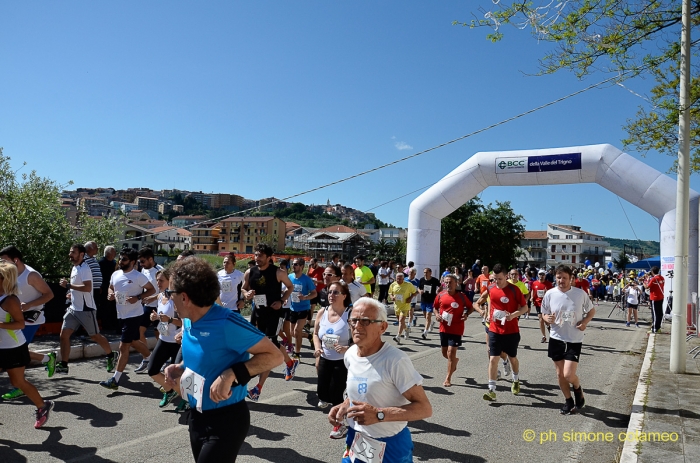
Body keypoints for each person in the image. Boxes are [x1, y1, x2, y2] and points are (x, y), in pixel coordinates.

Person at [163, 257, 283, 463]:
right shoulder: (189, 320)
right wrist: (181, 367)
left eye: (169, 293)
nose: (167, 298)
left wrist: (231, 373)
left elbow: (275, 356)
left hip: (226, 420)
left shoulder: (227, 322)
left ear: (184, 297)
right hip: (197, 416)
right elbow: (205, 357)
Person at [327, 298, 432, 460]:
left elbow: (425, 408)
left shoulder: (396, 360)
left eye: (365, 321)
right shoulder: (350, 354)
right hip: (357, 439)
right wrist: (345, 404)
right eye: (353, 320)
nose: (357, 326)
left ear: (382, 327)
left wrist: (379, 414)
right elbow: (363, 390)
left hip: (390, 444)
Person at [0, 262, 55, 429]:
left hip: (13, 348)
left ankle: (43, 406)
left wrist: (0, 325)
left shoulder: (10, 300)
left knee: (18, 382)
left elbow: (20, 324)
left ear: (3, 279)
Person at [242, 243, 298, 402]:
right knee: (254, 343)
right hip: (257, 311)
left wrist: (282, 300)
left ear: (268, 257)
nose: (257, 258)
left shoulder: (278, 272)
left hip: (274, 312)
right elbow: (243, 289)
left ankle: (258, 388)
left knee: (270, 345)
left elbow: (290, 286)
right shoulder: (249, 272)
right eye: (255, 255)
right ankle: (289, 362)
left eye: (260, 256)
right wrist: (247, 294)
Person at [541, 264, 595, 415]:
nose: (561, 281)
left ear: (571, 279)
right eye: (559, 277)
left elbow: (591, 311)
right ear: (555, 278)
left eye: (565, 278)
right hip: (556, 337)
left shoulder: (580, 294)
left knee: (568, 375)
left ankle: (577, 388)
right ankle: (568, 400)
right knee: (559, 374)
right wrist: (547, 318)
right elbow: (544, 313)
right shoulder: (550, 294)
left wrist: (584, 322)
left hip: (574, 339)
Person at [100, 248, 156, 390]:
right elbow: (110, 287)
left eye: (124, 259)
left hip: (134, 314)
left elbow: (152, 290)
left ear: (132, 262)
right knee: (132, 341)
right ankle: (149, 358)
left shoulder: (138, 276)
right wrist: (110, 294)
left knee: (123, 346)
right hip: (121, 314)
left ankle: (115, 380)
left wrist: (137, 297)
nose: (120, 261)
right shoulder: (116, 273)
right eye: (120, 258)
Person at [58, 244, 116, 375]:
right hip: (73, 308)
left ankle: (111, 355)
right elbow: (78, 288)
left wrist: (68, 285)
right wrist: (71, 293)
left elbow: (87, 288)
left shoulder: (85, 268)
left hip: (86, 309)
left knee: (95, 336)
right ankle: (64, 364)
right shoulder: (74, 267)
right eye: (70, 252)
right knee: (64, 335)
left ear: (82, 254)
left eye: (73, 252)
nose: (70, 254)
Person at [482, 264, 528, 401]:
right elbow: (483, 302)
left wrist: (513, 315)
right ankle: (491, 390)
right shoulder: (490, 288)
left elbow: (525, 307)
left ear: (506, 276)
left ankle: (515, 379)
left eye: (500, 279)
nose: (497, 282)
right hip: (494, 330)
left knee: (512, 358)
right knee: (493, 358)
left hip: (511, 331)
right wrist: (484, 312)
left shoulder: (514, 290)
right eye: (495, 279)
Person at [146, 268, 182, 407]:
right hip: (164, 339)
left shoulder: (176, 299)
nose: (158, 283)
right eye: (157, 280)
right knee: (152, 370)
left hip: (177, 342)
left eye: (161, 280)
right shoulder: (160, 296)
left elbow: (184, 322)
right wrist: (154, 317)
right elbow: (161, 316)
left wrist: (170, 320)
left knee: (178, 375)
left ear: (170, 281)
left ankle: (186, 399)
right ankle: (170, 390)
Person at [313, 281, 351, 413]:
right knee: (322, 392)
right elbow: (316, 334)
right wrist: (317, 348)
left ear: (344, 296)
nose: (331, 295)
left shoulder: (349, 315)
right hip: (324, 358)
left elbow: (360, 339)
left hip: (342, 361)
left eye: (336, 292)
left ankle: (339, 423)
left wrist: (347, 348)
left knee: (336, 394)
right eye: (329, 292)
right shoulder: (322, 312)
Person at [433, 274, 472, 387]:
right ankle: (454, 361)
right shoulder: (440, 295)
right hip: (443, 328)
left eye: (450, 282)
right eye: (446, 282)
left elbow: (471, 307)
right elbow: (435, 307)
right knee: (445, 353)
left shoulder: (461, 296)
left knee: (451, 353)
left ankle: (448, 378)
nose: (448, 284)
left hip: (456, 328)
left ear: (456, 283)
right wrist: (436, 315)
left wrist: (466, 314)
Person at [135, 247, 163, 373]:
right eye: (139, 262)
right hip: (147, 307)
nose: (141, 264)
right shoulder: (143, 270)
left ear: (151, 259)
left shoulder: (161, 270)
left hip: (160, 307)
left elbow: (166, 290)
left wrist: (153, 298)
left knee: (160, 334)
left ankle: (161, 360)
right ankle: (146, 358)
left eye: (142, 261)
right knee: (139, 331)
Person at [287, 258, 317, 358]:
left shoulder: (306, 279)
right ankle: (309, 336)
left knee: (297, 331)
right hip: (293, 308)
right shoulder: (290, 277)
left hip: (304, 308)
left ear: (301, 266)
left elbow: (314, 293)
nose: (293, 266)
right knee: (292, 333)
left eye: (295, 264)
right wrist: (286, 298)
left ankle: (297, 353)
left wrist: (305, 297)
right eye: (293, 264)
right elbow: (287, 289)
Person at [388, 272, 416, 344]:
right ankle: (406, 329)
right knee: (401, 322)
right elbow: (390, 293)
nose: (398, 280)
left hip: (405, 305)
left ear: (403, 279)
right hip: (397, 306)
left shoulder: (408, 285)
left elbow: (415, 292)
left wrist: (410, 298)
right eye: (397, 279)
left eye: (400, 279)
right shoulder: (393, 284)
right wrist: (392, 297)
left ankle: (398, 336)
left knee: (401, 320)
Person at [97, 245, 119, 331]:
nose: (115, 253)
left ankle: (114, 324)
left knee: (113, 307)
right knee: (105, 307)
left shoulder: (114, 263)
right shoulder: (101, 263)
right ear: (108, 253)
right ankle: (106, 325)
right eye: (114, 252)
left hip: (114, 288)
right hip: (104, 288)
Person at [530, 269, 553, 343]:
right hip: (538, 303)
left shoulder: (549, 284)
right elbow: (533, 290)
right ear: (538, 275)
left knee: (547, 321)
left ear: (545, 276)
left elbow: (553, 294)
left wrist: (547, 293)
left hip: (547, 304)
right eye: (540, 274)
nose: (541, 276)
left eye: (543, 274)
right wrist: (532, 297)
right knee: (541, 319)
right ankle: (544, 336)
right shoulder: (535, 283)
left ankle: (550, 329)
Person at [418, 267, 441, 340]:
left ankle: (425, 332)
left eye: (426, 272)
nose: (425, 274)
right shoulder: (421, 280)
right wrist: (420, 291)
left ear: (430, 273)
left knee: (428, 316)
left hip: (431, 300)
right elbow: (419, 288)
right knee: (425, 315)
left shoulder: (434, 280)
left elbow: (441, 286)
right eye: (424, 272)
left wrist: (438, 290)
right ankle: (431, 323)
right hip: (424, 300)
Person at [644, 266, 665, 334]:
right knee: (660, 313)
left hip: (654, 298)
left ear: (652, 272)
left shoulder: (653, 279)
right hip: (661, 297)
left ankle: (654, 329)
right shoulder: (662, 278)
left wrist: (645, 281)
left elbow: (647, 287)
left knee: (655, 314)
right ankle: (658, 327)